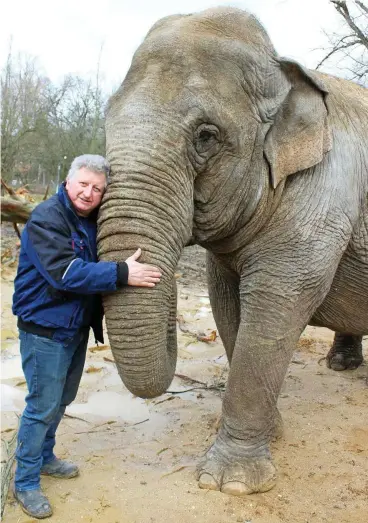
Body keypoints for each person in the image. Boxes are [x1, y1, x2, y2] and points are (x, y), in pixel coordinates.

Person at [12, 154, 161, 519]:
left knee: (62, 400)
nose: (88, 193)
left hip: (72, 329)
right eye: (83, 184)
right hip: (44, 331)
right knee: (41, 406)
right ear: (68, 182)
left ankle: (45, 458)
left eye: (96, 189)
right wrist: (122, 272)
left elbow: (96, 259)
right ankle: (26, 482)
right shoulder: (47, 219)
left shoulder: (89, 221)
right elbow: (66, 274)